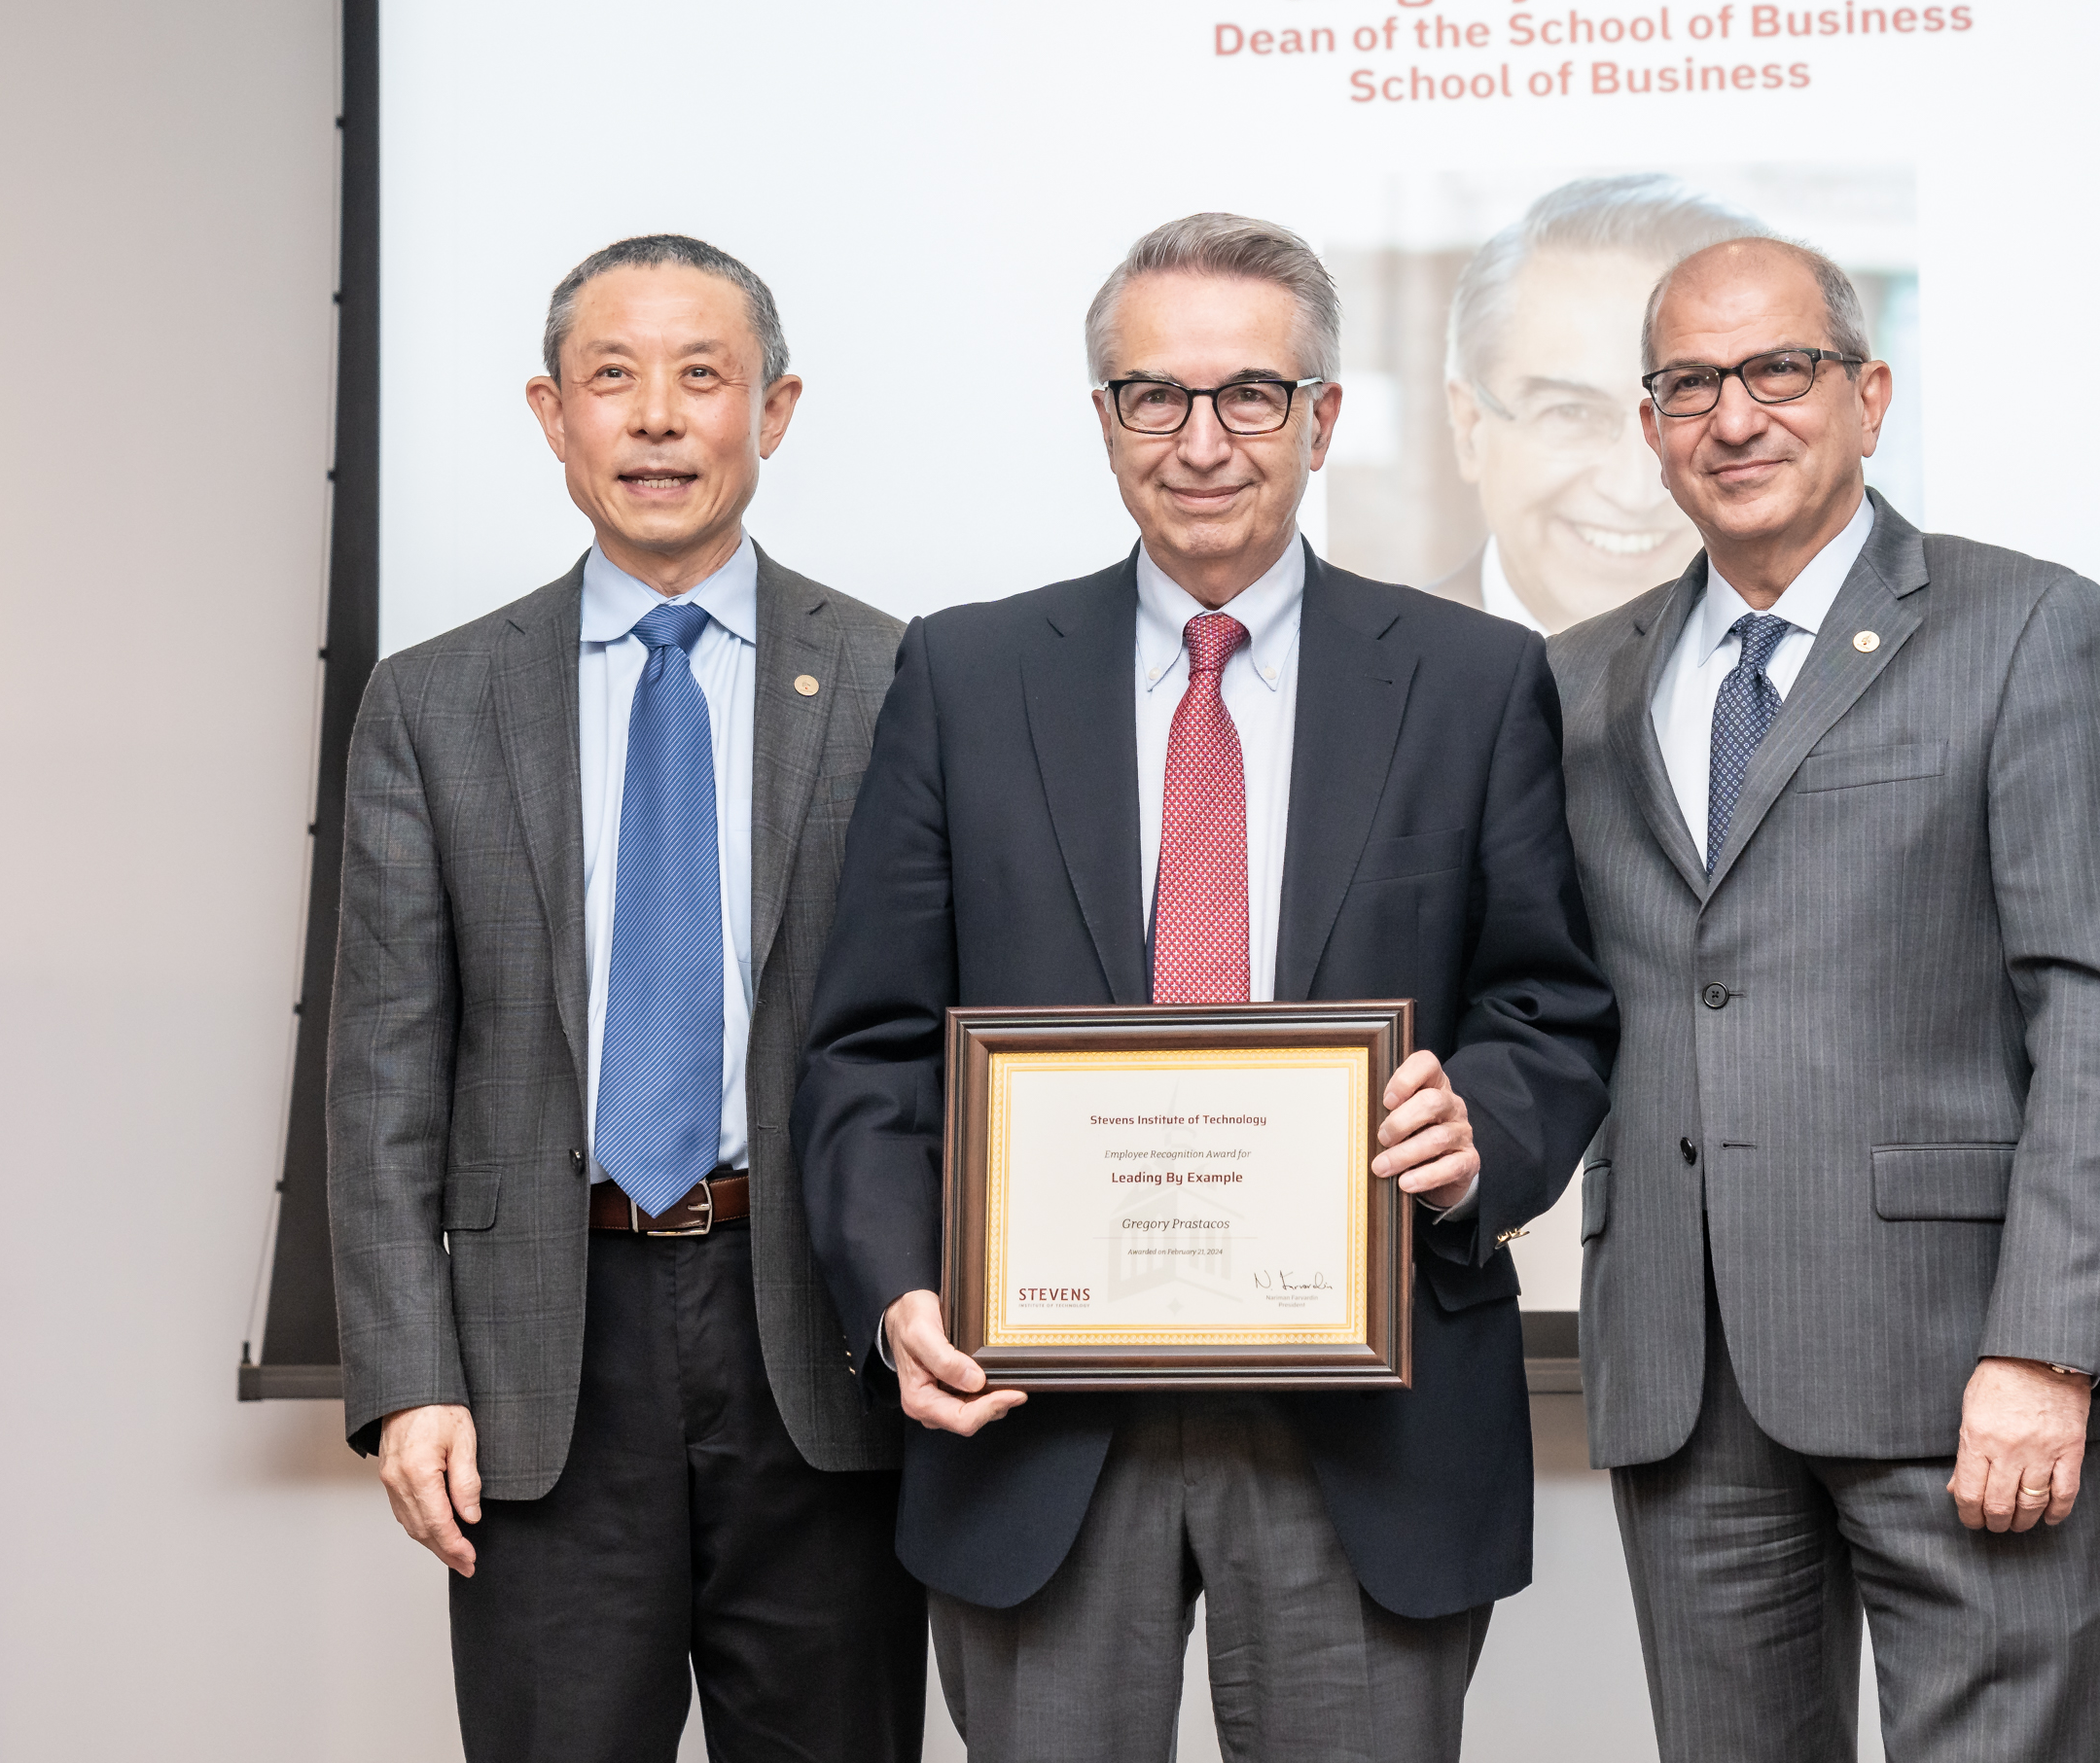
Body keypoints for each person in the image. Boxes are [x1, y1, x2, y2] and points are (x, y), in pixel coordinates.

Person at [793, 213, 1617, 1763]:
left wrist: (1478, 1137)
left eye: (1249, 395)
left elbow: (1548, 1010)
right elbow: (875, 1043)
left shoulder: (1471, 676)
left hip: (1368, 1426)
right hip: (1034, 1420)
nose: (1201, 441)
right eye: (1152, 398)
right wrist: (902, 1283)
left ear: (1323, 419)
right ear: (1102, 422)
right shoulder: (967, 678)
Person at [1547, 236, 2100, 1762]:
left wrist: (2049, 1349)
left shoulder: (2025, 625)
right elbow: (1555, 1007)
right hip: (1685, 1390)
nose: (1735, 416)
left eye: (1779, 370)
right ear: (1650, 424)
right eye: (1688, 382)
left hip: (1963, 1375)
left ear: (1868, 394)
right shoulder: (1578, 681)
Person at [327, 234, 925, 1761]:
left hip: (820, 1347)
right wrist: (407, 1382)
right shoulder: (434, 700)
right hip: (544, 1354)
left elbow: (942, 1043)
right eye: (612, 376)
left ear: (774, 412)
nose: (656, 417)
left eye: (702, 376)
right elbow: (389, 1072)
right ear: (552, 415)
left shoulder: (896, 679)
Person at [1438, 174, 1765, 632]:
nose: (1634, 493)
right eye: (1571, 413)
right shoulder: (1365, 681)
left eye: (1689, 397)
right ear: (1469, 426)